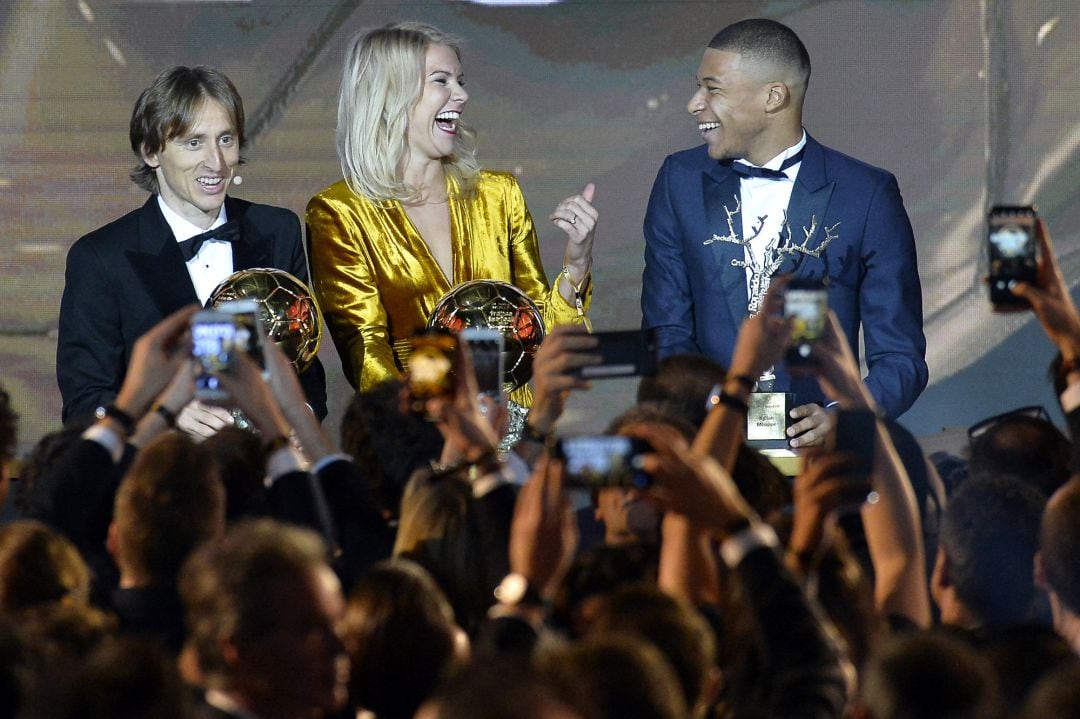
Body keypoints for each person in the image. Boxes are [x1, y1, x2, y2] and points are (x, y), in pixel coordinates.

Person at [640, 18, 927, 445]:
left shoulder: (866, 195)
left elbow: (901, 358)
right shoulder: (678, 180)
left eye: (712, 89)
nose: (694, 104)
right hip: (713, 453)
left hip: (822, 468)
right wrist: (719, 410)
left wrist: (843, 417)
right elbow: (666, 330)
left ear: (773, 97)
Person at [307, 22, 597, 409]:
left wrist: (576, 264)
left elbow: (536, 333)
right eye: (441, 81)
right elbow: (365, 349)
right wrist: (438, 427)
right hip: (417, 437)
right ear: (390, 94)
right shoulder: (339, 213)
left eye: (460, 80)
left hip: (512, 434)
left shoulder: (499, 195)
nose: (461, 95)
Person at [57, 65, 327, 425]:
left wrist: (300, 419)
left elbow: (303, 360)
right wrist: (166, 416)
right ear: (151, 151)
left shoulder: (277, 230)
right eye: (193, 142)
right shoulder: (101, 258)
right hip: (161, 474)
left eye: (226, 139)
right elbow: (85, 401)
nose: (215, 162)